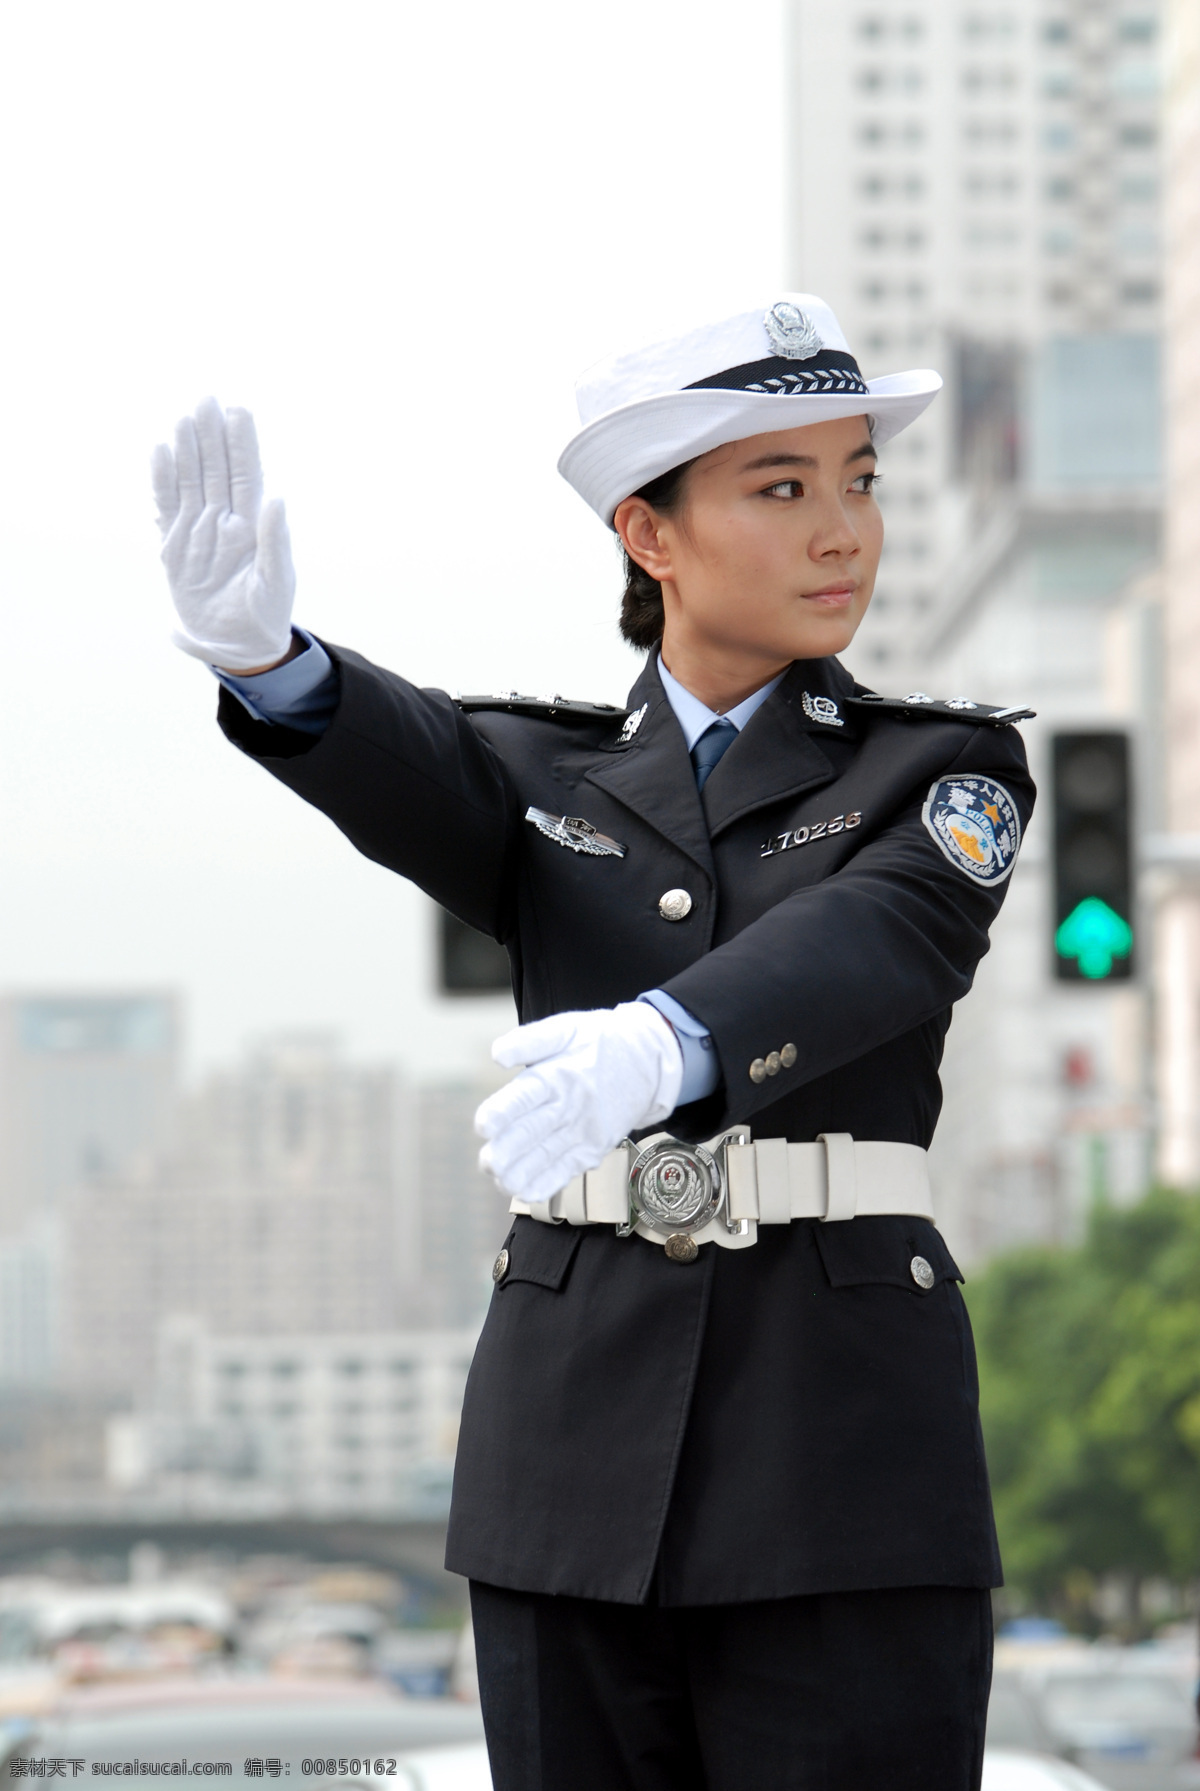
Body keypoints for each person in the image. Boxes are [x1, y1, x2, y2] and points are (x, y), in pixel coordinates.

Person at [152, 293, 1035, 1791]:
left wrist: (666, 1044)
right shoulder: (541, 775)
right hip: (570, 1468)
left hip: (840, 1466)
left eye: (861, 481)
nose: (847, 532)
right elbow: (405, 756)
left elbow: (876, 940)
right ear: (651, 533)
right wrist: (271, 662)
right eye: (785, 486)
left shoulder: (942, 765)